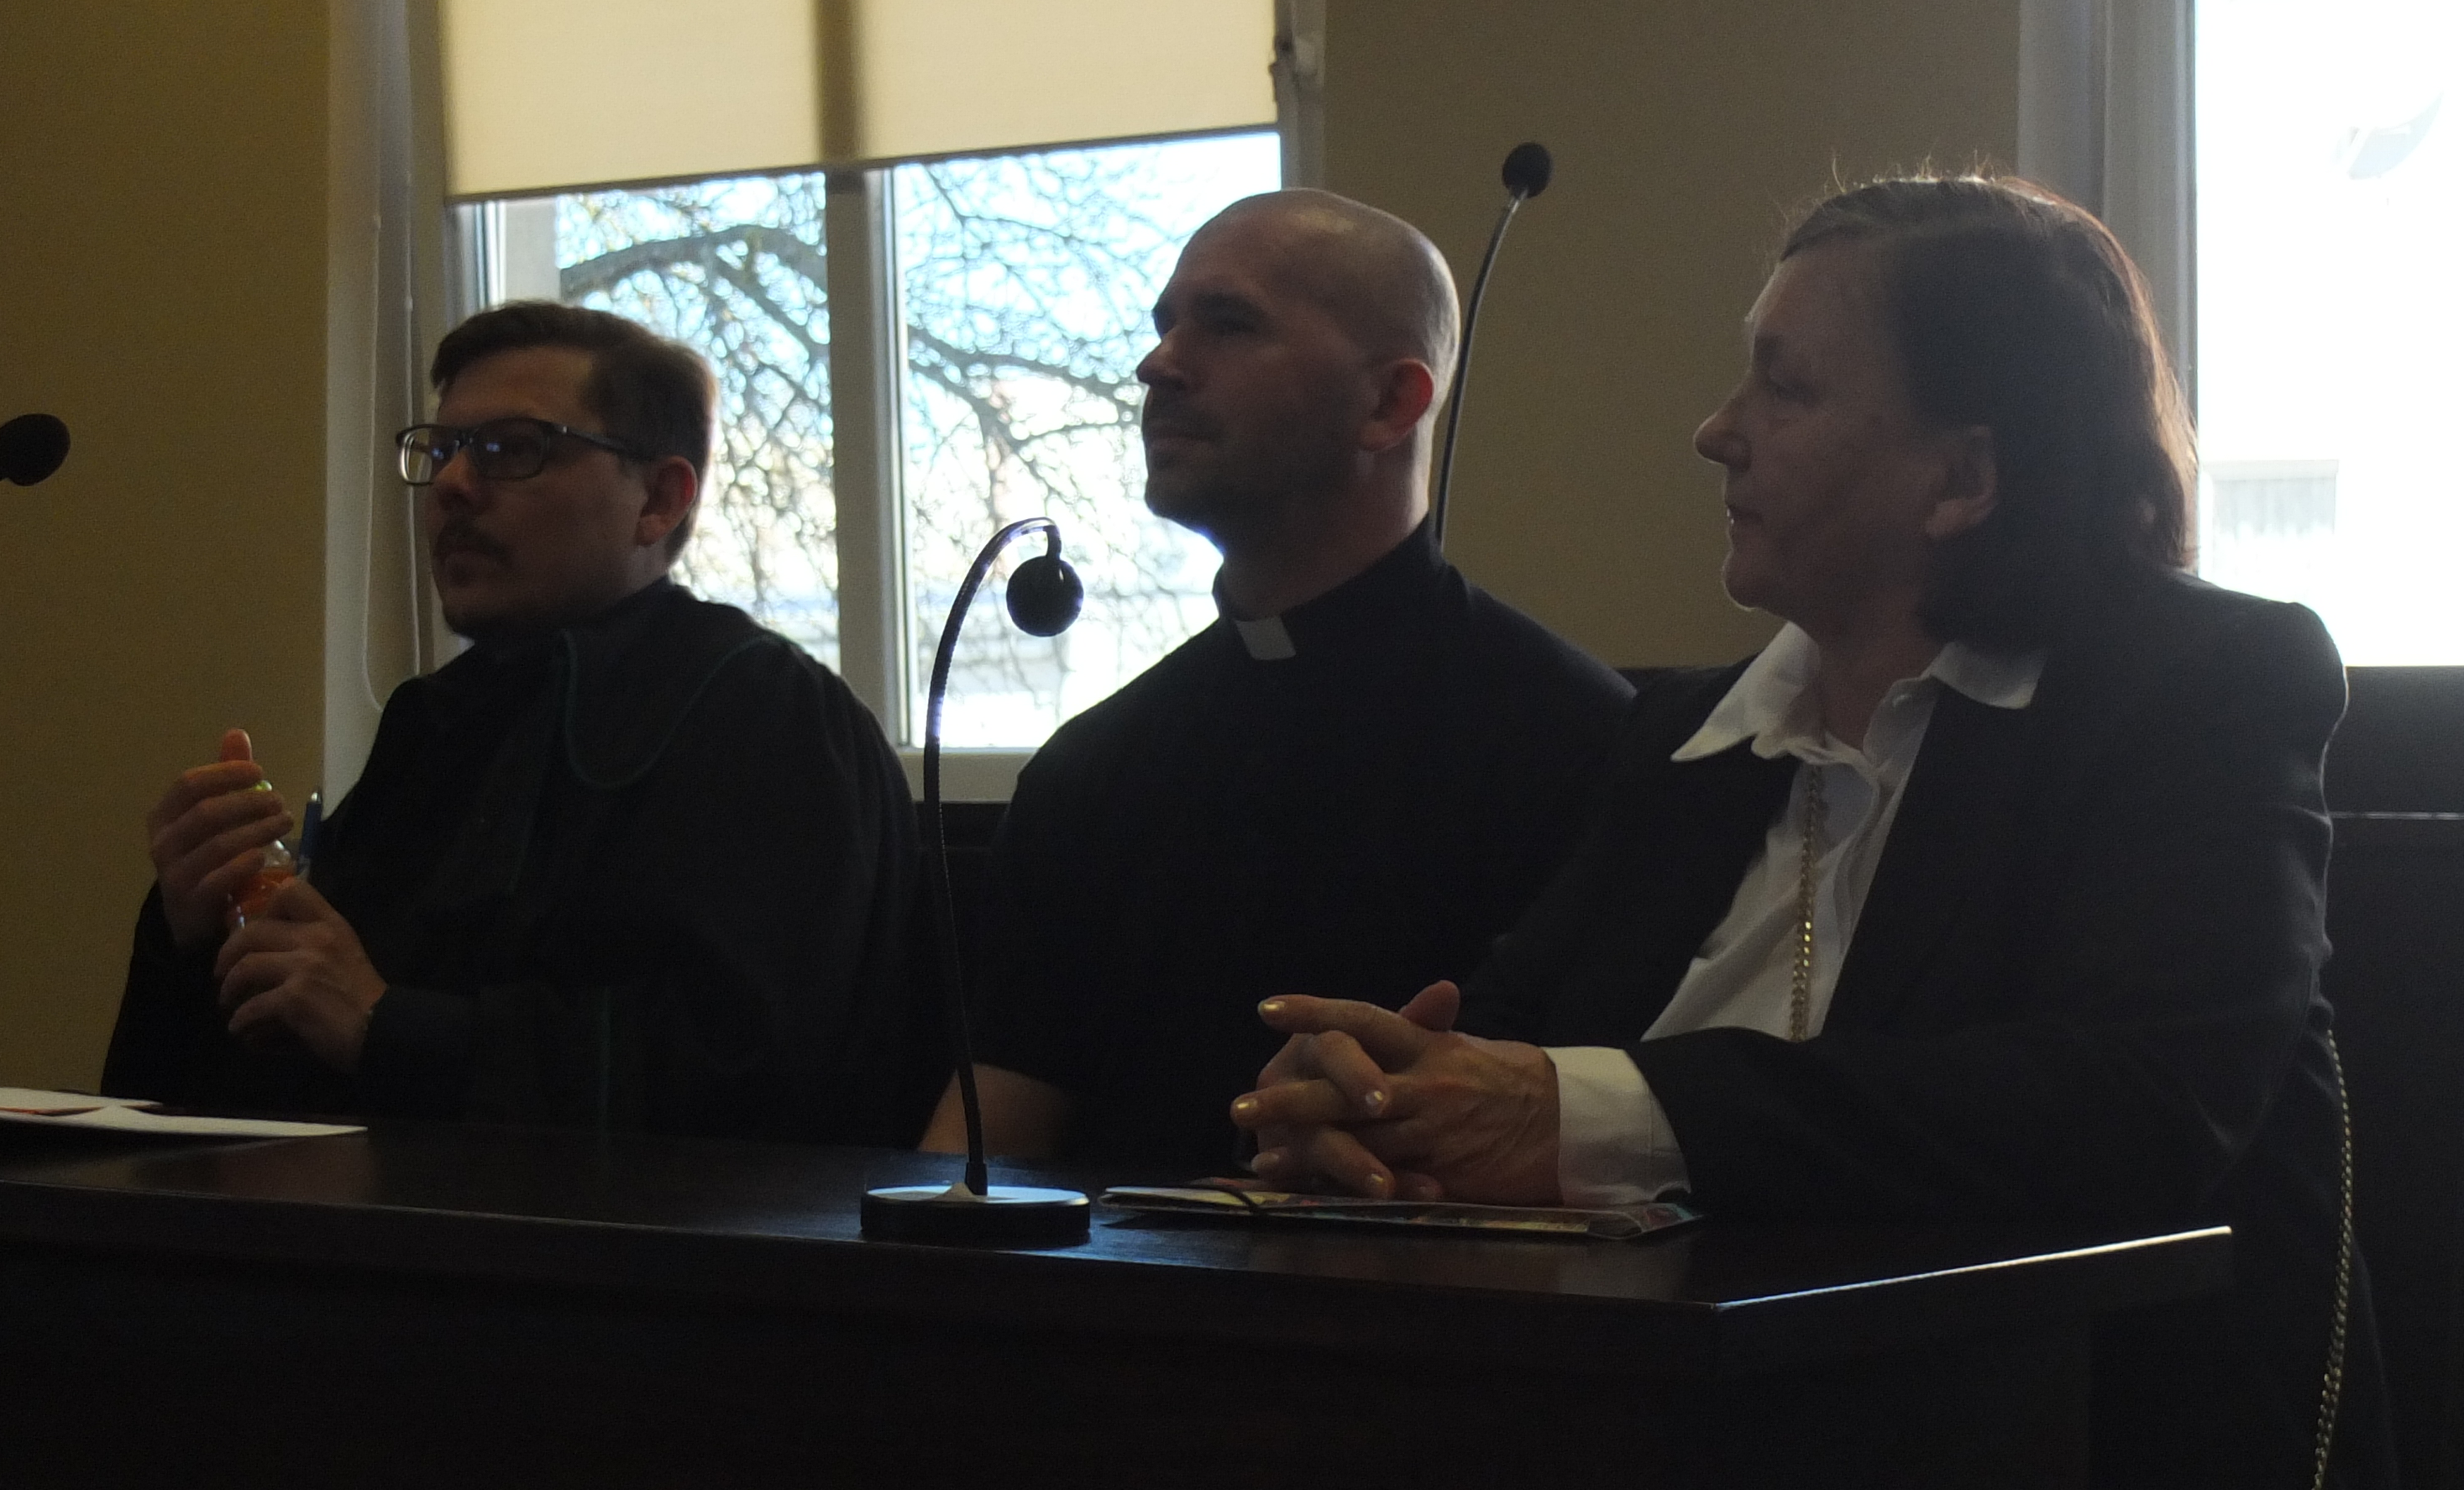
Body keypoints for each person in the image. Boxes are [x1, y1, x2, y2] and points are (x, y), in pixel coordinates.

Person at [1235, 173, 2406, 1490]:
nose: (1715, 431)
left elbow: (2136, 1107)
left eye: (1783, 388)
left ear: (1960, 478)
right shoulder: (1681, 739)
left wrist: (1583, 1116)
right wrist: (1374, 1109)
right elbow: (1508, 1050)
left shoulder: (2201, 689)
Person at [924, 188, 1632, 1178]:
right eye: (1164, 325)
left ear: (1390, 404)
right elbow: (990, 1133)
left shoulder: (1581, 747)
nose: (1158, 364)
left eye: (1228, 324)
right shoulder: (1092, 767)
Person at [102, 302, 914, 1139]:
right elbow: (281, 1057)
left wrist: (390, 1027)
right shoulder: (434, 722)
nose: (453, 485)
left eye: (513, 449)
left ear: (659, 499)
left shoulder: (766, 711)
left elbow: (751, 1077)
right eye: (443, 450)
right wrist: (198, 930)